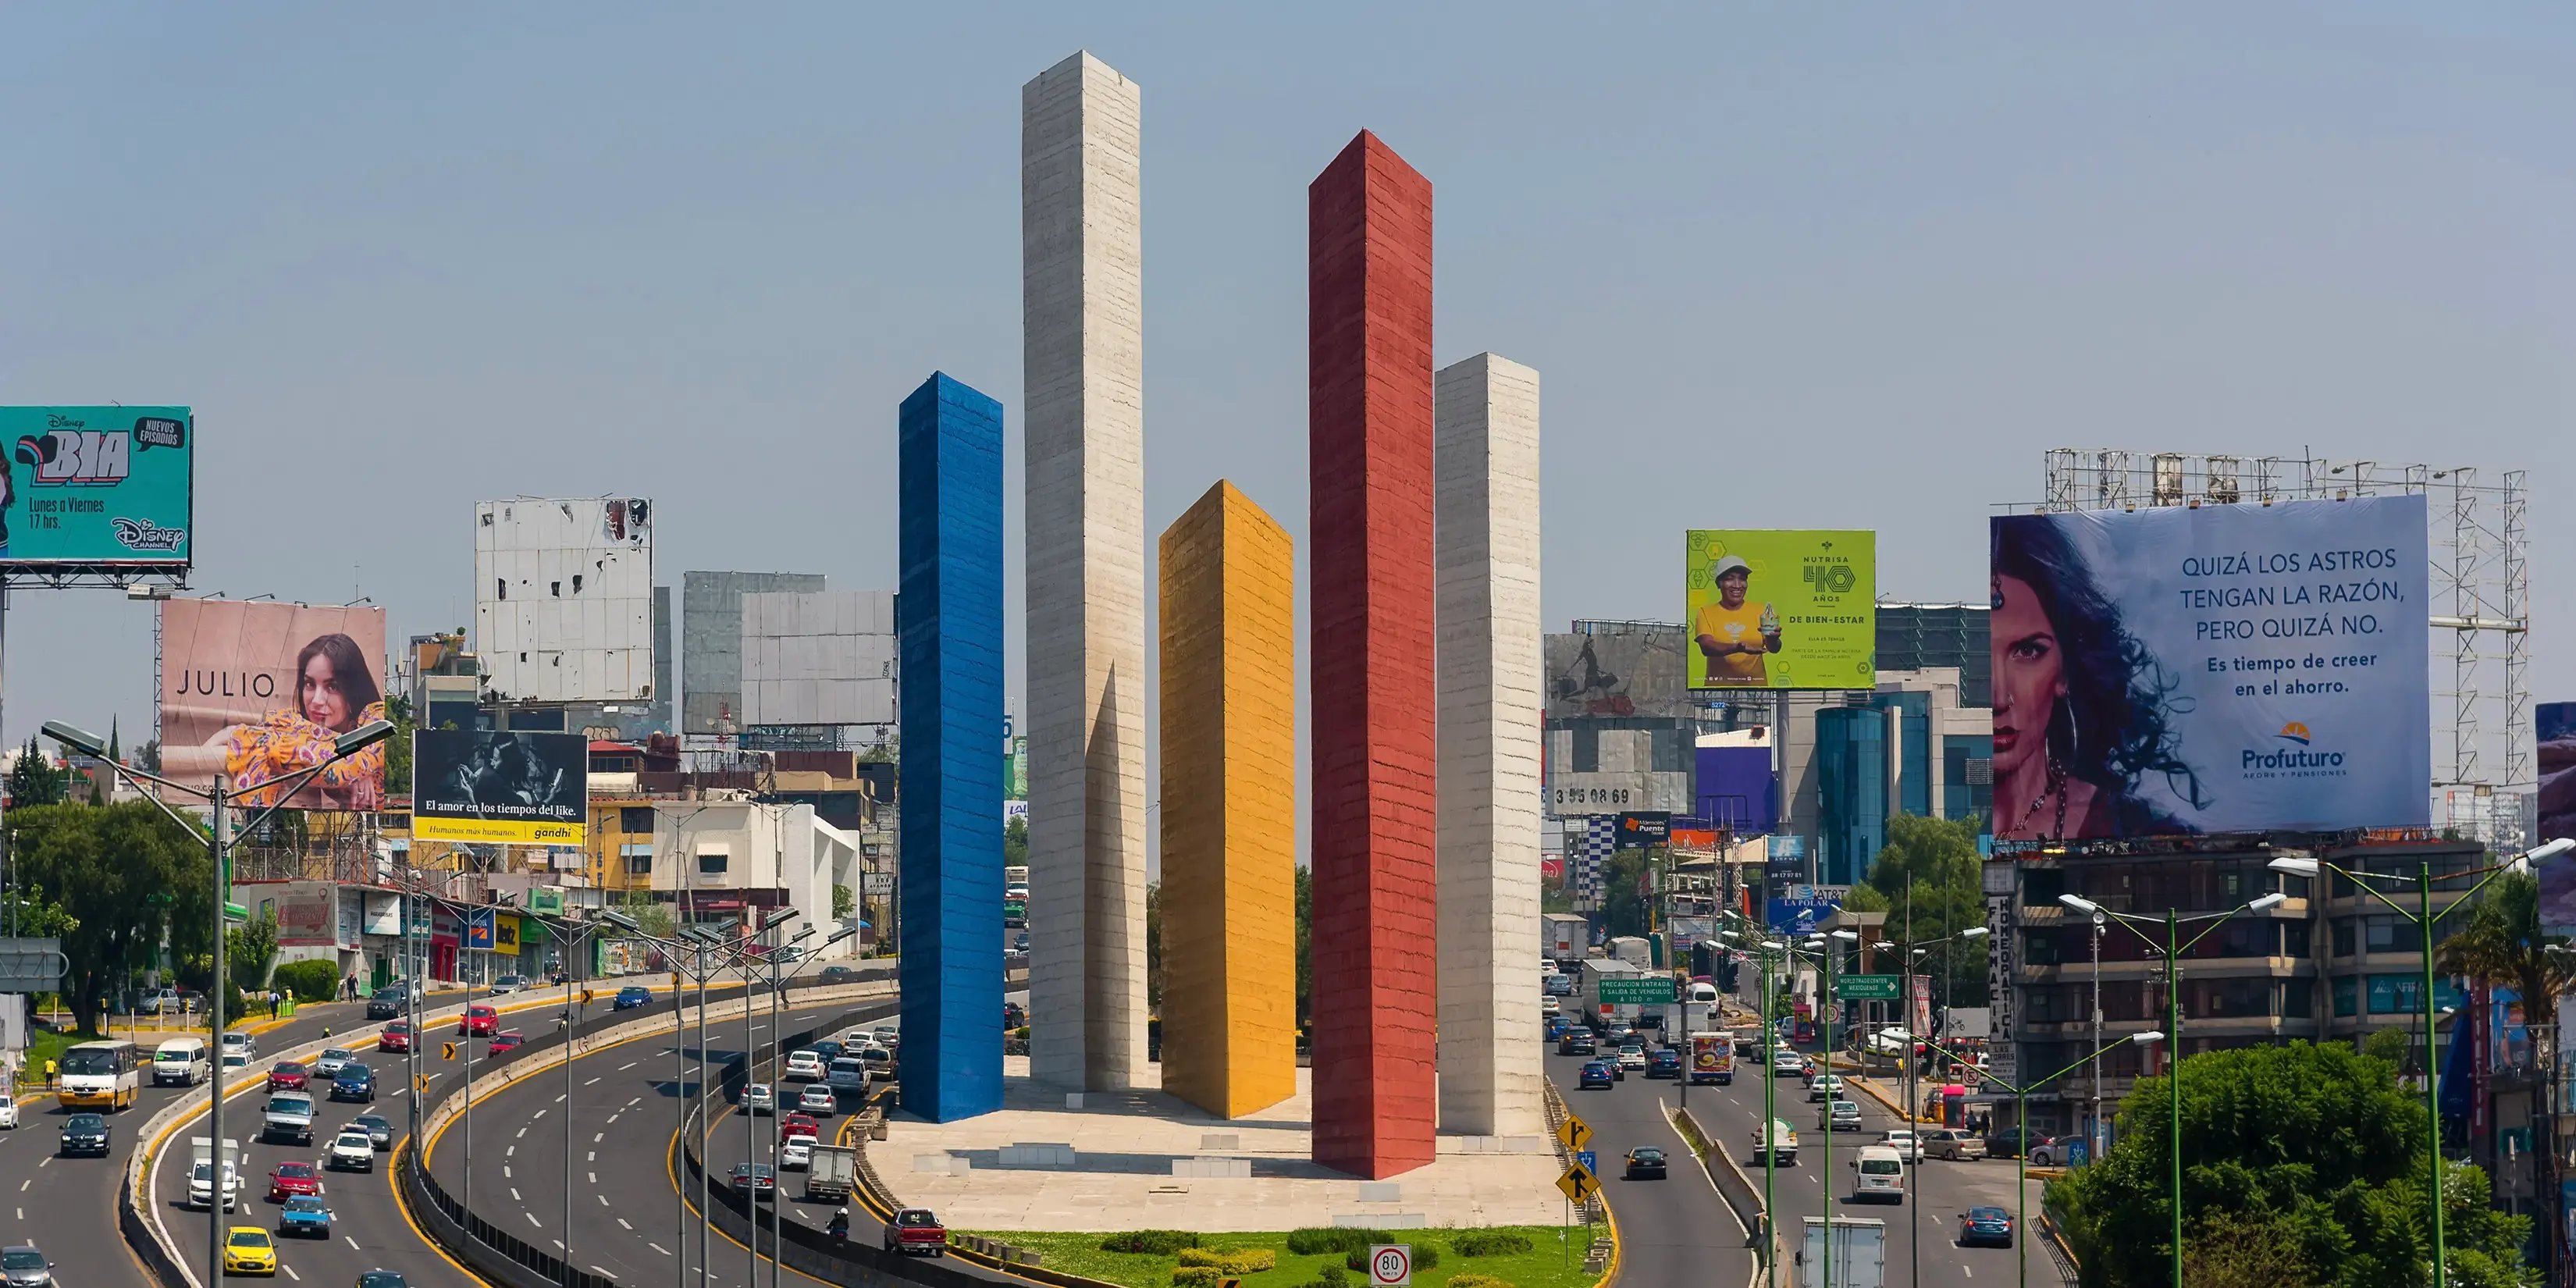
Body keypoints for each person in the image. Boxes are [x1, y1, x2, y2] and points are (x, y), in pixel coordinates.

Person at [1989, 517, 2201, 841]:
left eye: (2029, 651)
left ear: (2065, 671)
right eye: (1982, 657)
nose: (2000, 697)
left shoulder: (2137, 832)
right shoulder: (1923, 813)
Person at [222, 632, 389, 810]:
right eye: (309, 684)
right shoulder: (292, 723)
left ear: (353, 690)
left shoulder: (377, 718)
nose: (317, 700)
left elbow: (344, 765)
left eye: (332, 687)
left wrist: (358, 770)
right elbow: (226, 738)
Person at [1692, 555, 1781, 687]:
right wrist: (1738, 648)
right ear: (1719, 583)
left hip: (1756, 691)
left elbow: (1774, 648)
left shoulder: (1761, 611)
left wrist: (1773, 640)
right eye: (1729, 579)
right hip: (1718, 691)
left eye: (1742, 579)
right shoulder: (1706, 612)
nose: (1737, 585)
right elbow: (1707, 647)